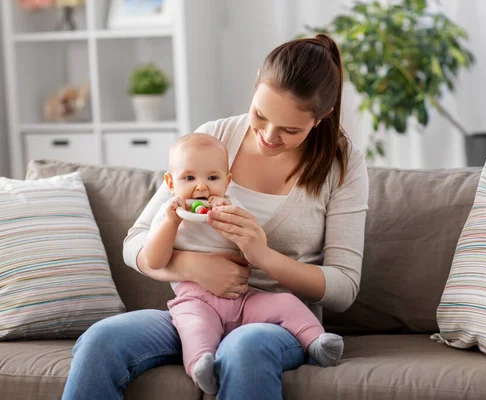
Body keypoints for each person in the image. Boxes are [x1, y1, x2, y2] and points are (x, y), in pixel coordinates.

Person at [61, 33, 369, 400]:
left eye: (290, 130)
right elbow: (135, 244)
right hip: (195, 313)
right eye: (260, 115)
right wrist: (191, 267)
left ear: (323, 117)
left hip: (274, 323)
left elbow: (344, 288)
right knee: (101, 340)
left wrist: (263, 257)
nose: (269, 136)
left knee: (243, 348)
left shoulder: (341, 164)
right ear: (256, 84)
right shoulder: (214, 137)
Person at [147, 132, 344, 394]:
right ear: (171, 182)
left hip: (243, 298)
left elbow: (256, 245)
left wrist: (232, 221)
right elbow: (154, 260)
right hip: (195, 300)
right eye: (189, 178)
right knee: (194, 327)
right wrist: (172, 223)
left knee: (286, 302)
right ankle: (201, 366)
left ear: (227, 182)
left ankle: (317, 342)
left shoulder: (232, 206)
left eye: (213, 178)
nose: (202, 187)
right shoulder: (168, 213)